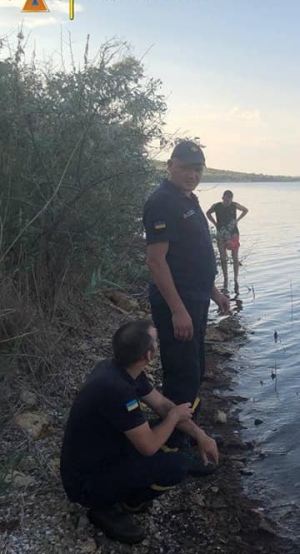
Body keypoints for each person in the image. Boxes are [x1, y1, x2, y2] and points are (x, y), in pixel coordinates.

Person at [60, 319, 219, 544]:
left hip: (106, 450)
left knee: (176, 421)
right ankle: (114, 506)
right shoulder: (117, 390)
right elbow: (148, 446)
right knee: (176, 466)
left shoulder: (120, 368)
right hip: (86, 482)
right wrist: (174, 417)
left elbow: (163, 405)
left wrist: (201, 435)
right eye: (156, 340)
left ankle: (131, 486)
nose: (158, 343)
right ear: (148, 355)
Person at [142, 140, 230, 473]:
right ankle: (171, 448)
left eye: (198, 169)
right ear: (170, 165)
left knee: (193, 369)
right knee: (181, 374)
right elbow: (156, 261)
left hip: (195, 299)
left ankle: (186, 434)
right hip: (176, 304)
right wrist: (178, 310)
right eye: (186, 167)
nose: (193, 174)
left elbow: (192, 257)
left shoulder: (188, 199)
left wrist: (215, 292)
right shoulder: (162, 202)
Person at [206, 189, 249, 293]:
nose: (227, 202)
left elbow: (245, 210)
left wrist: (237, 220)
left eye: (229, 200)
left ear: (231, 199)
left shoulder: (234, 205)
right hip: (221, 233)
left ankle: (235, 278)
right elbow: (208, 213)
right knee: (223, 257)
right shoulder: (217, 206)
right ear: (222, 198)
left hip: (233, 233)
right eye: (225, 199)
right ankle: (225, 278)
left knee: (235, 257)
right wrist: (215, 223)